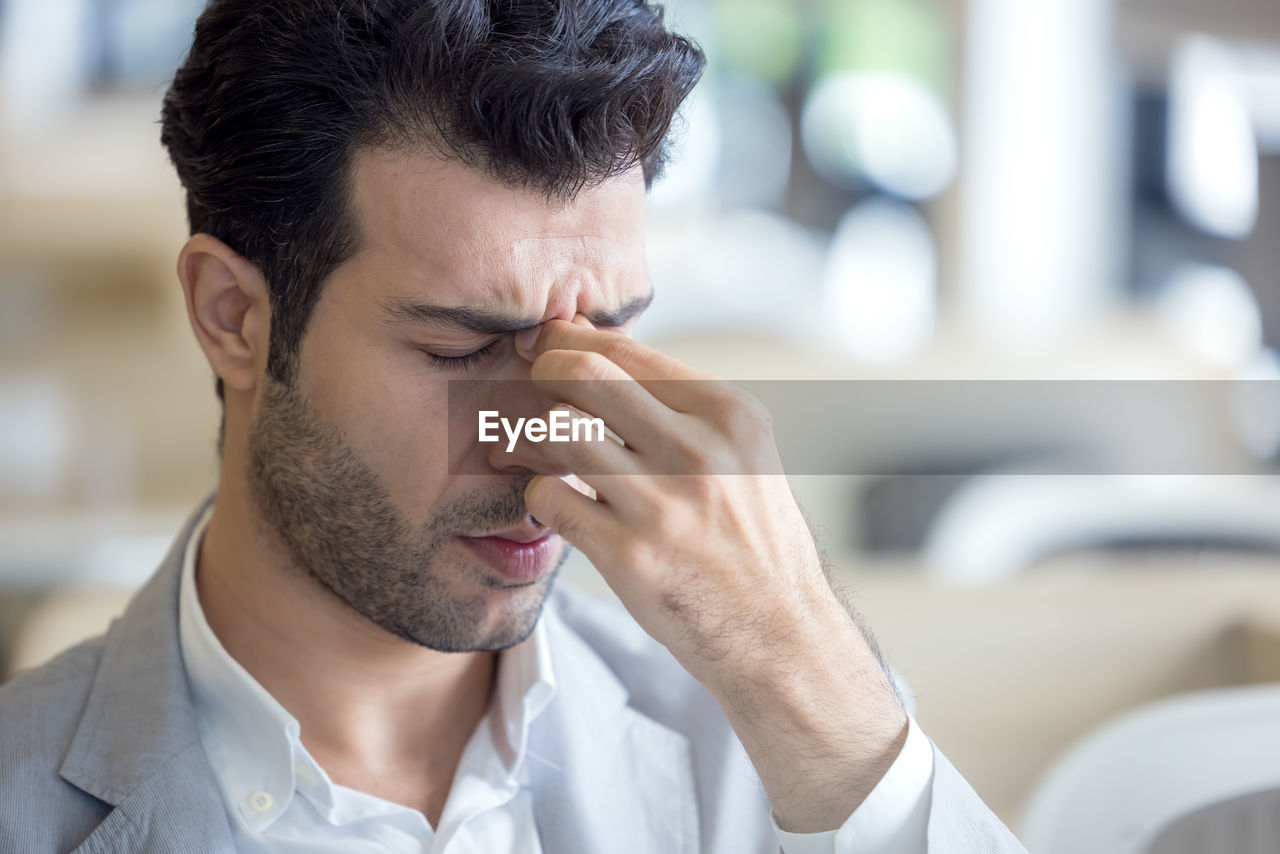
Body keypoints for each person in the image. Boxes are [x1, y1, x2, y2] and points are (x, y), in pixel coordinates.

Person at [0, 1, 1028, 851]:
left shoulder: (770, 732)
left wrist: (803, 671)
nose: (551, 435)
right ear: (234, 316)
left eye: (609, 337)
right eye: (462, 349)